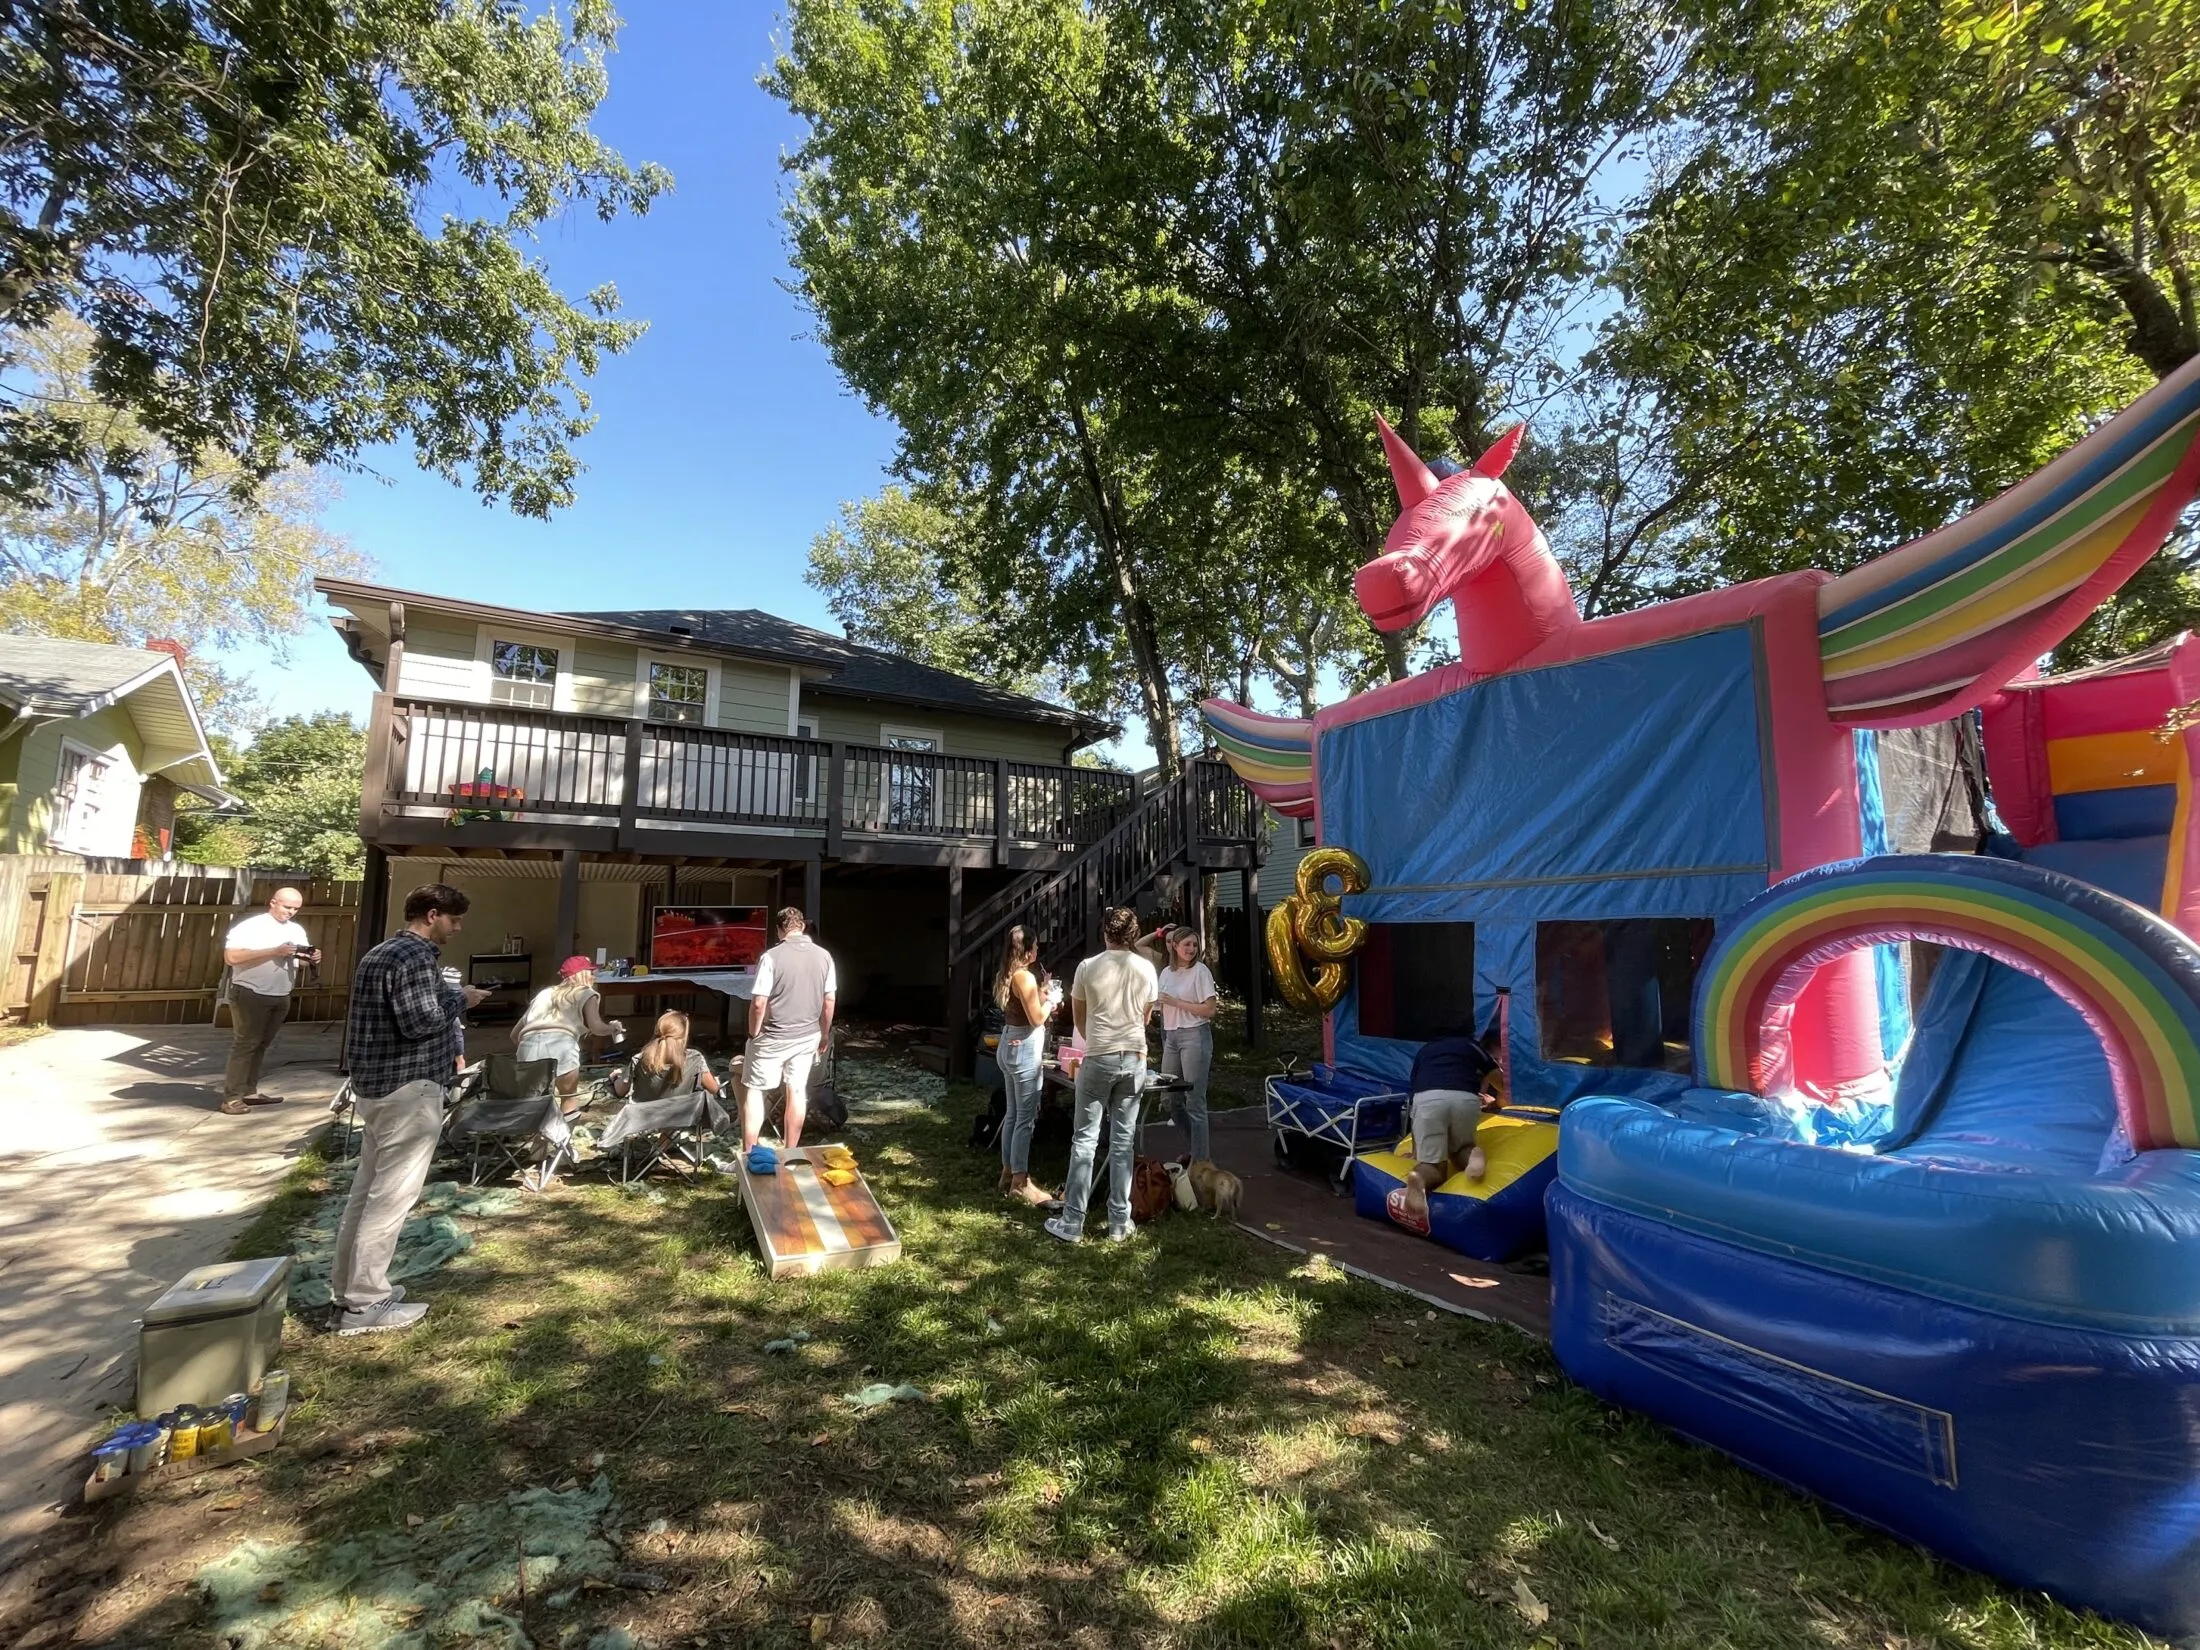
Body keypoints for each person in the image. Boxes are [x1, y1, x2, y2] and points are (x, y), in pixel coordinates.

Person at [330, 884, 485, 1336]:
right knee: (391, 1198)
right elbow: (420, 1022)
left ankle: (348, 1292)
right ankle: (365, 1303)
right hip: (408, 1089)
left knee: (366, 1196)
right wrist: (463, 998)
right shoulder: (414, 957)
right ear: (432, 915)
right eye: (453, 921)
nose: (456, 929)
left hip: (376, 1089)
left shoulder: (379, 952)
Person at [1046, 906, 1158, 1245]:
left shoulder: (1087, 967)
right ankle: (1119, 1224)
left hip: (1099, 1055)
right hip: (1135, 1056)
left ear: (1105, 934)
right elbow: (1147, 1017)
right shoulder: (1147, 968)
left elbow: (1079, 1018)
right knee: (1123, 1143)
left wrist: (1097, 1037)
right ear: (1133, 935)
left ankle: (1073, 1222)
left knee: (1085, 1140)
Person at [741, 907, 836, 1151]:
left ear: (779, 929)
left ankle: (751, 1152)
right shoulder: (825, 956)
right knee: (796, 1091)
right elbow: (829, 1000)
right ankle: (790, 1150)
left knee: (755, 1091)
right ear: (802, 926)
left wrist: (754, 1033)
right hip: (807, 1035)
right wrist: (824, 1034)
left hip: (772, 1035)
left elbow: (759, 1002)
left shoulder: (771, 956)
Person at [1388, 1033, 1500, 1236]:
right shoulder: (1474, 1048)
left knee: (1434, 1167)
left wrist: (1416, 1150)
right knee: (1461, 1150)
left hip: (1428, 1099)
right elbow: (1501, 1082)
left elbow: (1416, 1095)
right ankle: (1473, 1154)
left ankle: (1419, 1179)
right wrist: (1498, 1102)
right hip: (1464, 1098)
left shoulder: (1425, 1051)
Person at [218, 886, 316, 1114]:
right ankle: (231, 1099)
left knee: (261, 1046)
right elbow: (231, 957)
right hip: (251, 992)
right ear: (273, 902)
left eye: (295, 909)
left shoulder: (297, 930)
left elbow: (299, 962)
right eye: (287, 906)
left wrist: (310, 958)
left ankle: (249, 1092)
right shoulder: (252, 926)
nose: (290, 912)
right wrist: (273, 951)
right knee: (245, 1045)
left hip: (281, 993)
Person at [992, 925, 1055, 1206]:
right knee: (1025, 1120)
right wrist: (1052, 1001)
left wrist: (1042, 991)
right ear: (1028, 950)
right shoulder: (1024, 976)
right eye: (1037, 946)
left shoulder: (1009, 973)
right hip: (1023, 1049)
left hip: (1008, 1043)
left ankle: (1007, 1172)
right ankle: (1020, 1181)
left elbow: (1026, 1006)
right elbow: (1037, 1019)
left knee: (1013, 1114)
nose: (1039, 950)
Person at [513, 956, 623, 1104]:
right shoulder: (586, 993)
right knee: (568, 1098)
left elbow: (514, 1034)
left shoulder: (544, 994)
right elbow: (597, 1028)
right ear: (582, 974)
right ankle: (565, 1126)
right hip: (561, 1045)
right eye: (591, 972)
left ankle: (533, 1126)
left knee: (531, 1104)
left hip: (528, 1046)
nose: (594, 976)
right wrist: (612, 1028)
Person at [1153, 925, 1217, 1161]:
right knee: (1169, 1098)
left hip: (1195, 1036)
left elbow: (1210, 1010)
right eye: (1186, 944)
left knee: (1194, 1100)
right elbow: (1160, 1003)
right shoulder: (1166, 973)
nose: (1191, 949)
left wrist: (1177, 1002)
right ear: (1175, 946)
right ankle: (1195, 1147)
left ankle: (1201, 1161)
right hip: (1171, 1036)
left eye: (1194, 944)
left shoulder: (1200, 972)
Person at [612, 1010, 723, 1103]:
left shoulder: (640, 1059)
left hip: (644, 1123)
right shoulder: (695, 1058)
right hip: (682, 1120)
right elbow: (714, 1089)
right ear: (684, 1035)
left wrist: (616, 1077)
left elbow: (620, 1092)